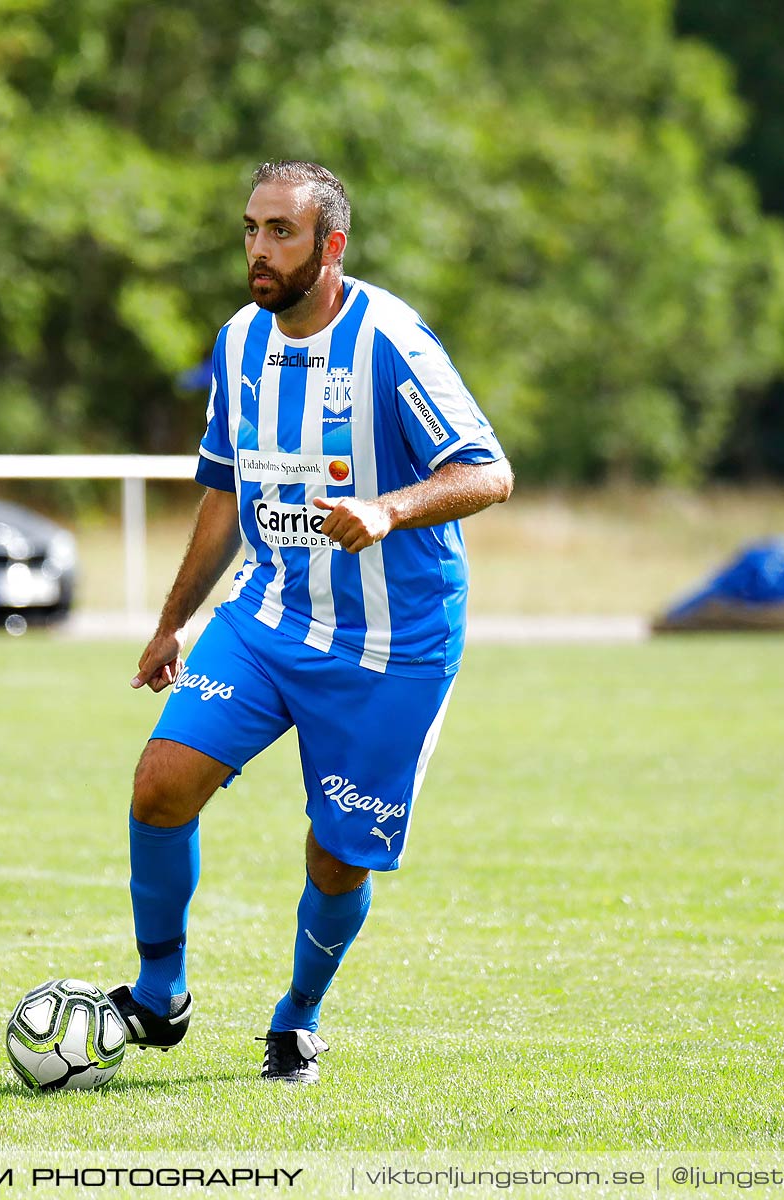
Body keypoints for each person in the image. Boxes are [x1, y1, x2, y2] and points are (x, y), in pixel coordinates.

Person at [107, 161, 513, 1084]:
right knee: (161, 784)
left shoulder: (392, 342)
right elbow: (224, 493)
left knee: (337, 859)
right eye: (250, 229)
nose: (257, 249)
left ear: (330, 246)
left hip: (392, 644)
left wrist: (390, 510)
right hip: (270, 614)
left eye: (280, 232)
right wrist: (173, 621)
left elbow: (488, 472)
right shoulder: (239, 342)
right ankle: (160, 993)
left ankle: (297, 1017)